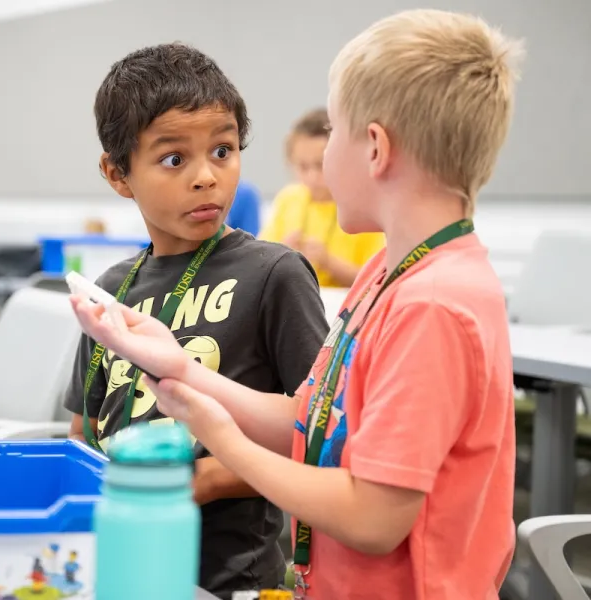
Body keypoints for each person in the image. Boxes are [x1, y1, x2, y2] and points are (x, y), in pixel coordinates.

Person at [71, 10, 520, 599]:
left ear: (375, 148)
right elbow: (312, 424)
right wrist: (182, 370)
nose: (320, 161)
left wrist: (225, 444)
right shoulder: (386, 274)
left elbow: (374, 520)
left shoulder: (433, 304)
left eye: (333, 131)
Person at [65, 43, 329, 599]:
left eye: (223, 150)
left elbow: (322, 437)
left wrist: (209, 478)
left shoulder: (274, 274)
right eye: (173, 159)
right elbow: (83, 432)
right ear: (117, 173)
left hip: (228, 579)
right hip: (118, 563)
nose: (207, 177)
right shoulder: (112, 290)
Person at [259, 108, 385, 287]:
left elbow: (376, 280)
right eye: (302, 166)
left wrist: (329, 262)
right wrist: (279, 253)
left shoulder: (364, 207)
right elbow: (259, 262)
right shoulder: (289, 198)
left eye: (320, 165)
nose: (312, 177)